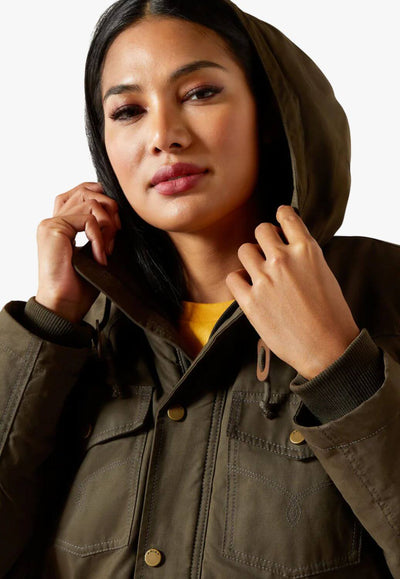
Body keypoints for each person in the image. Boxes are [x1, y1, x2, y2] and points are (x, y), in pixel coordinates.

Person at [0, 0, 399, 577]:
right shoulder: (81, 334)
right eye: (128, 111)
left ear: (270, 112)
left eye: (200, 93)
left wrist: (340, 369)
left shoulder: (384, 293)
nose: (164, 136)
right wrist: (50, 322)